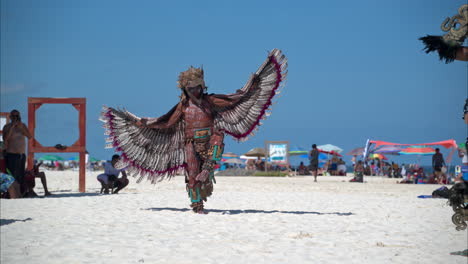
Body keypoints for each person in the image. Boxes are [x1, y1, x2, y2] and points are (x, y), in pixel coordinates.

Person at [100, 49, 287, 214]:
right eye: (191, 88)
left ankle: (207, 170)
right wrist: (142, 123)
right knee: (192, 174)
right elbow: (165, 123)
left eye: (197, 87)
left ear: (202, 86)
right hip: (190, 143)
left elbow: (235, 99)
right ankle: (197, 205)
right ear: (185, 89)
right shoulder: (182, 107)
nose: (195, 91)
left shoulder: (211, 101)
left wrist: (253, 84)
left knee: (217, 139)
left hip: (211, 138)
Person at [2, 110, 32, 193]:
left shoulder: (22, 126)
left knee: (20, 176)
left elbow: (29, 136)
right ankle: (12, 193)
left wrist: (21, 127)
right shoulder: (7, 127)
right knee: (12, 176)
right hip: (12, 154)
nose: (16, 118)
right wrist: (12, 127)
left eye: (17, 116)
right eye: (14, 116)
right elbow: (6, 138)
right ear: (10, 117)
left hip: (21, 155)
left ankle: (19, 192)